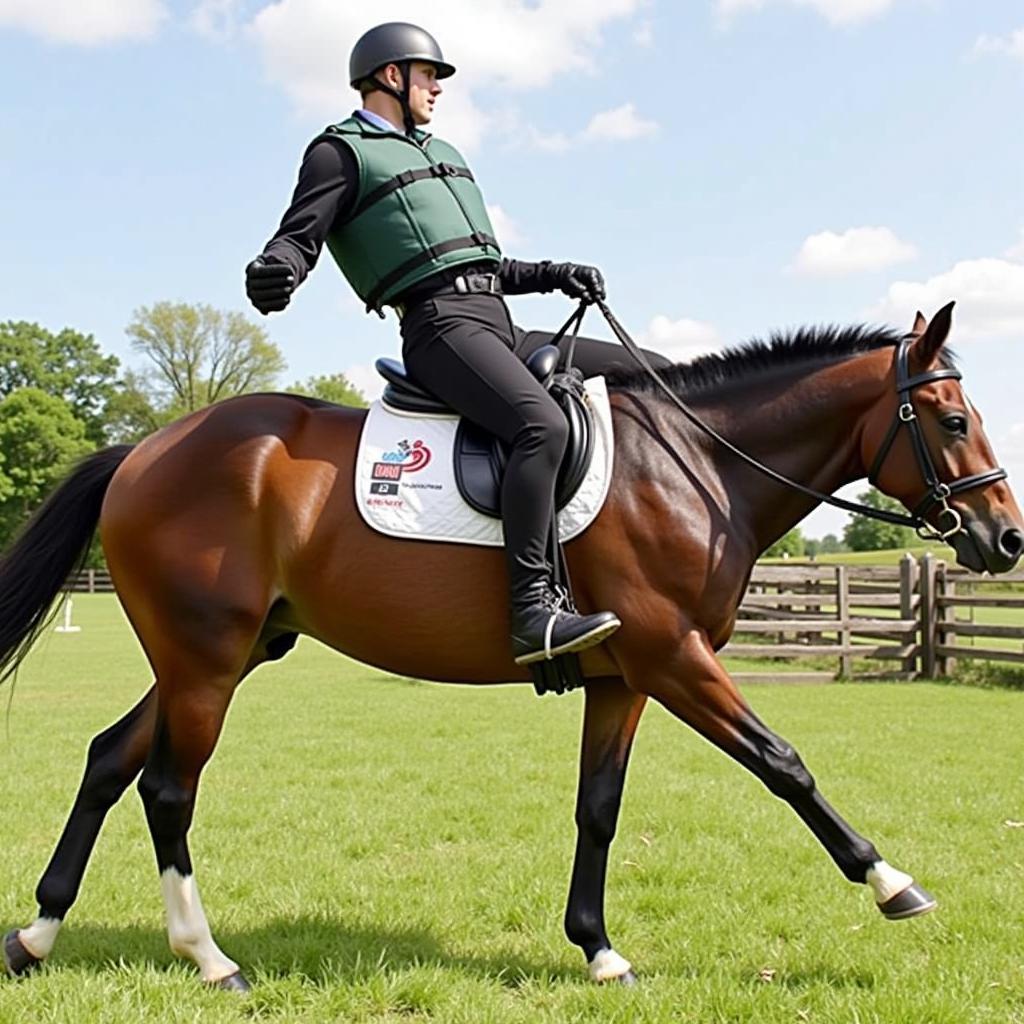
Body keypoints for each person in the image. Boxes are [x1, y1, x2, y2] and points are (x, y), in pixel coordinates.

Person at [246, 22, 630, 669]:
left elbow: (486, 264)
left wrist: (553, 274)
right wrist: (275, 267)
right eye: (429, 76)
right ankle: (533, 611)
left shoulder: (442, 152)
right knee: (540, 427)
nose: (437, 89)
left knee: (648, 377)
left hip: (499, 322)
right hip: (439, 330)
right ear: (390, 77)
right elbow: (299, 235)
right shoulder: (340, 152)